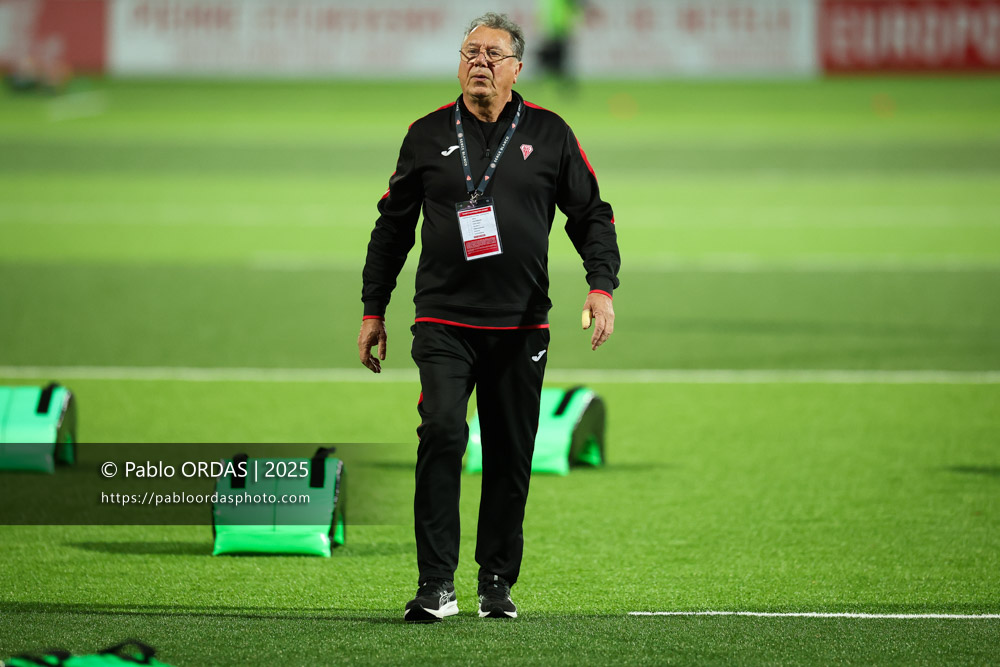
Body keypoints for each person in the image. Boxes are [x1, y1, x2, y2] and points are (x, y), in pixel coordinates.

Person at [358, 12, 620, 622]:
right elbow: (392, 227)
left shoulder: (551, 134)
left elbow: (591, 215)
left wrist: (600, 286)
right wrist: (375, 308)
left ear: (517, 69)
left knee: (509, 455)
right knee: (443, 434)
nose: (479, 61)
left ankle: (496, 583)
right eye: (470, 51)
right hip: (444, 322)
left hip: (522, 325)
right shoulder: (426, 134)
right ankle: (435, 585)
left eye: (492, 54)